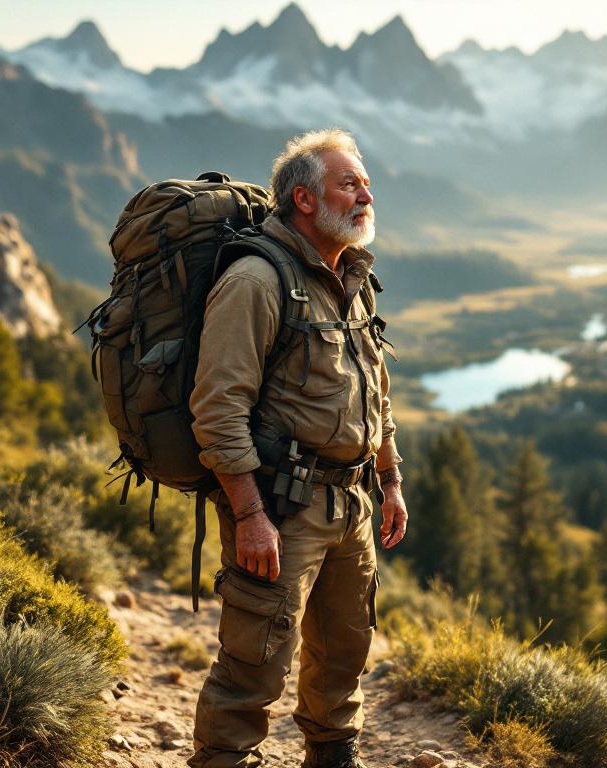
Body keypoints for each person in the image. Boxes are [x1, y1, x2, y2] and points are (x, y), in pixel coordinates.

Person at [187, 128, 408, 768]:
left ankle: (333, 756)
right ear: (305, 199)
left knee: (344, 653)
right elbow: (217, 407)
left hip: (354, 503)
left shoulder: (352, 276)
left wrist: (389, 481)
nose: (367, 193)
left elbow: (375, 391)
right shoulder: (256, 280)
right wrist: (251, 516)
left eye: (365, 182)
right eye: (351, 183)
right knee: (255, 662)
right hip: (282, 507)